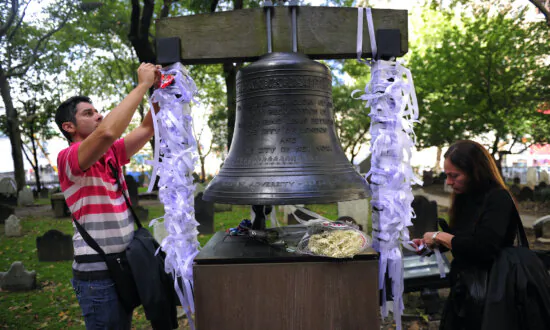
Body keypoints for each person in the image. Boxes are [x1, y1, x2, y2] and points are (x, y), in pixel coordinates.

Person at [55, 63, 160, 329]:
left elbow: (148, 128)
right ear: (69, 127)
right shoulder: (68, 158)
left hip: (124, 267)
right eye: (89, 113)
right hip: (97, 277)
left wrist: (161, 90)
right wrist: (142, 85)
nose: (99, 116)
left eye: (98, 111)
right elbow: (108, 132)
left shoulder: (111, 153)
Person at [413, 140, 519, 330]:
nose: (449, 182)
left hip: (491, 295)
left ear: (475, 172)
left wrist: (440, 236)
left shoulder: (498, 199)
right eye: (447, 175)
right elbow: (463, 239)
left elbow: (484, 248)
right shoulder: (465, 198)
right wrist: (433, 244)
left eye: (455, 176)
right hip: (465, 291)